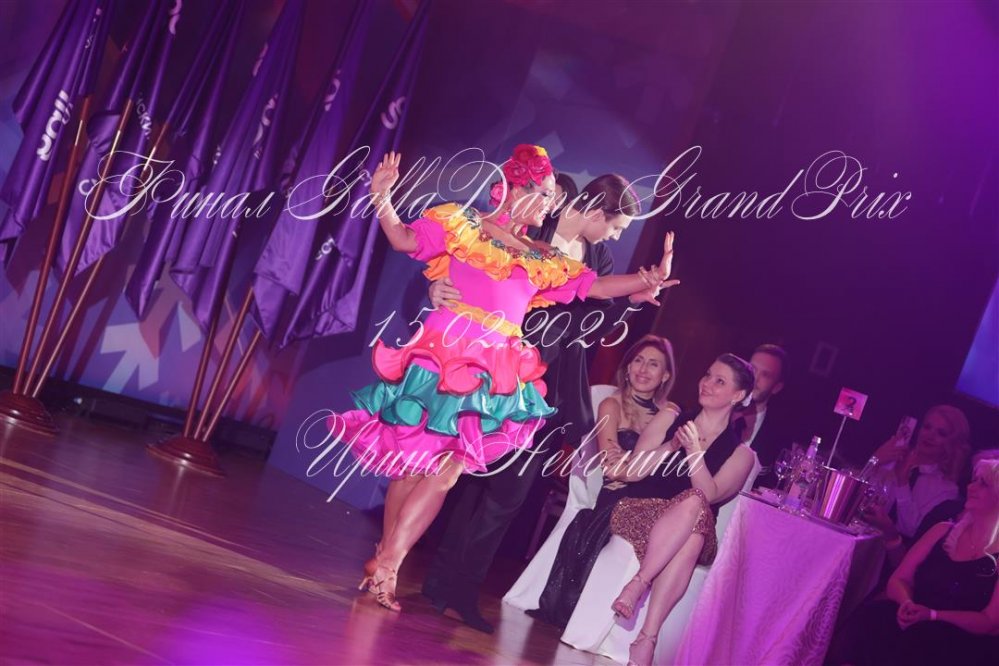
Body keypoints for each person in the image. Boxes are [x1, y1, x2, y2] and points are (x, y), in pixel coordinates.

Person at [341, 146, 679, 613]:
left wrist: (647, 280)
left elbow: (596, 286)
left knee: (447, 471)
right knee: (412, 465)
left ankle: (390, 564)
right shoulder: (463, 224)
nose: (551, 202)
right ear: (515, 190)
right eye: (545, 192)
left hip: (491, 371)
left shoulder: (540, 257)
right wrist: (382, 196)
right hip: (442, 353)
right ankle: (384, 555)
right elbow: (403, 239)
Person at [421, 173, 662, 631]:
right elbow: (475, 251)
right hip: (501, 370)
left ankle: (461, 591)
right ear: (597, 212)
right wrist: (437, 286)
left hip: (548, 388)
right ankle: (440, 583)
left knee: (509, 495)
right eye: (616, 226)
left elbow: (596, 320)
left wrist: (634, 299)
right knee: (468, 481)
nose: (616, 237)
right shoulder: (537, 226)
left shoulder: (599, 258)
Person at [603, 353, 758, 666]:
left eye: (720, 381)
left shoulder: (742, 455)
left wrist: (694, 451)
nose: (707, 384)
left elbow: (709, 494)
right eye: (707, 375)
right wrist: (672, 446)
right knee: (692, 536)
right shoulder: (671, 417)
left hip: (693, 522)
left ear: (737, 395)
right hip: (641, 509)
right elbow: (633, 471)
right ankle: (647, 639)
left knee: (695, 505)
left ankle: (639, 583)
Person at [520, 335, 680, 627]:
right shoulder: (611, 405)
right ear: (628, 367)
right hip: (615, 498)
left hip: (652, 501)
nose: (643, 369)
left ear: (665, 375)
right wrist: (643, 461)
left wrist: (634, 461)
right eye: (638, 361)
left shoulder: (670, 415)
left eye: (653, 364)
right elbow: (611, 466)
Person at [827, 457, 999, 666]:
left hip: (959, 642)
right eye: (974, 480)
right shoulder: (943, 531)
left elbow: (989, 622)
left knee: (922, 644)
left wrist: (933, 615)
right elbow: (899, 579)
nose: (971, 487)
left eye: (983, 484)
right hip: (915, 622)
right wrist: (907, 603)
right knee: (873, 621)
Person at [863, 405, 971, 568]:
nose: (930, 435)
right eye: (927, 427)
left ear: (952, 443)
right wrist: (874, 460)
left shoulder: (946, 489)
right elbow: (858, 498)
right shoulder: (892, 457)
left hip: (890, 562)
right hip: (859, 541)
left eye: (941, 433)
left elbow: (910, 529)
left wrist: (902, 483)